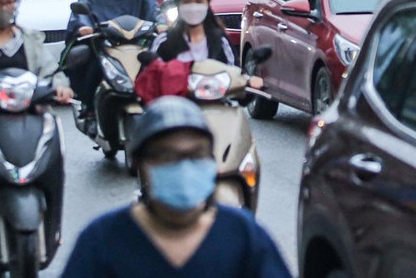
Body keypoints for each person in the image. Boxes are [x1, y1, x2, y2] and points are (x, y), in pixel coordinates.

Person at [61, 96, 290, 277]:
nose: (184, 167)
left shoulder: (243, 236)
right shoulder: (102, 240)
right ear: (142, 164)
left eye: (196, 154)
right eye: (166, 155)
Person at [66, 0, 159, 130]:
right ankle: (89, 109)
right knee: (91, 64)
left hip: (137, 42)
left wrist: (161, 24)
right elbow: (82, 10)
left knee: (160, 63)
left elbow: (153, 8)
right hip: (104, 42)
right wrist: (86, 26)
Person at [151, 0, 234, 64]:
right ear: (178, 6)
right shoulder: (164, 41)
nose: (193, 7)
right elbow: (150, 73)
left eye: (199, 1)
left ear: (207, 5)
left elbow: (234, 73)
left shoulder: (220, 41)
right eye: (187, 2)